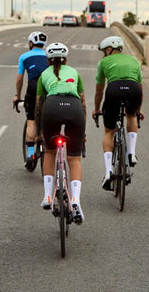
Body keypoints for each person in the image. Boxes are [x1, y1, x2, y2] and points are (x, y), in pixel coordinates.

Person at [35, 42, 86, 223]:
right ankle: (75, 200)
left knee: (49, 152)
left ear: (48, 60)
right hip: (74, 109)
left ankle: (48, 196)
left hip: (52, 108)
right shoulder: (75, 72)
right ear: (66, 59)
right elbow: (84, 103)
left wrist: (39, 131)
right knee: (74, 159)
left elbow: (39, 105)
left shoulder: (44, 74)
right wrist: (83, 134)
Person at [92, 35, 143, 191]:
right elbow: (140, 88)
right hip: (134, 90)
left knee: (109, 131)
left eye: (104, 51)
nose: (103, 54)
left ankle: (108, 171)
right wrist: (138, 109)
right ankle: (132, 153)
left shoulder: (103, 62)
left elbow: (99, 91)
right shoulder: (134, 60)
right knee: (131, 115)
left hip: (114, 91)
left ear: (109, 49)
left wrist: (97, 109)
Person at [12, 30, 49, 167]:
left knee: (31, 121)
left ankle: (31, 154)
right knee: (47, 119)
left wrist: (18, 95)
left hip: (33, 88)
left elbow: (20, 78)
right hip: (48, 87)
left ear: (31, 43)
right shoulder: (49, 55)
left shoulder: (24, 56)